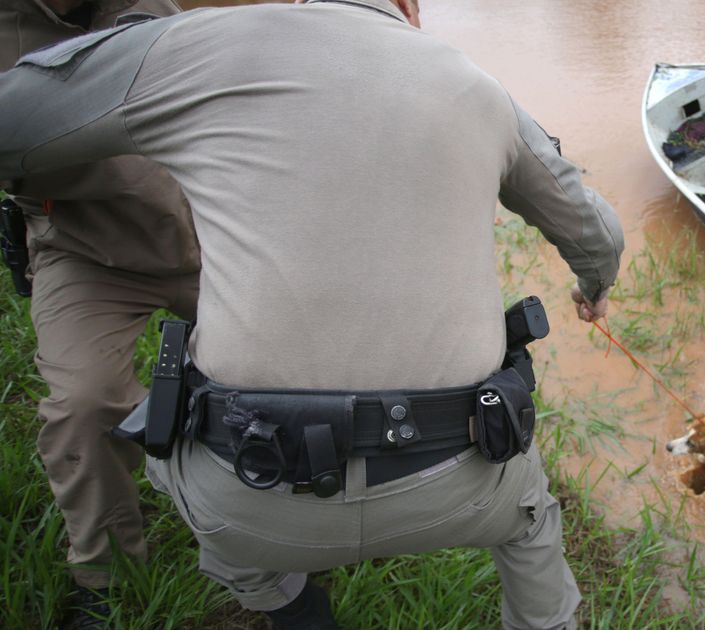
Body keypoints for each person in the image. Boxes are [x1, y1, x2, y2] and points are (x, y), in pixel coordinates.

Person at [0, 0, 624, 627]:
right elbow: (594, 229)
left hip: (246, 499)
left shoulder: (193, 42)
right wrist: (593, 286)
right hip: (463, 484)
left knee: (192, 484)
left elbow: (16, 118)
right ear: (409, 8)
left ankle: (287, 604)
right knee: (531, 521)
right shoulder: (478, 85)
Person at [0, 0, 199, 626]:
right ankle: (106, 573)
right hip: (86, 250)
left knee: (284, 369)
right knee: (84, 403)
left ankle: (287, 535)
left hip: (216, 239)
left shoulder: (156, 10)